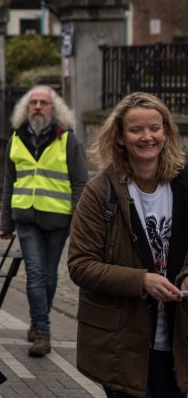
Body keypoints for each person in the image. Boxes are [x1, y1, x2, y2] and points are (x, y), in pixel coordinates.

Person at [69, 92, 188, 398]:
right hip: (123, 343)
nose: (147, 137)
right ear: (120, 137)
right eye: (136, 130)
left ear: (166, 131)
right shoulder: (100, 192)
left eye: (155, 128)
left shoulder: (184, 183)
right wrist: (141, 280)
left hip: (177, 341)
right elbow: (81, 265)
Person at [0, 85, 87, 357]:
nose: (38, 106)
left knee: (49, 277)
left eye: (44, 103)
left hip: (58, 218)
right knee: (35, 274)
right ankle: (43, 330)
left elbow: (80, 183)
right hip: (25, 217)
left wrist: (79, 222)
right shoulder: (16, 138)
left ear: (54, 108)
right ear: (26, 108)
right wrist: (6, 222)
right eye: (33, 102)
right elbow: (8, 182)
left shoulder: (67, 139)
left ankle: (38, 320)